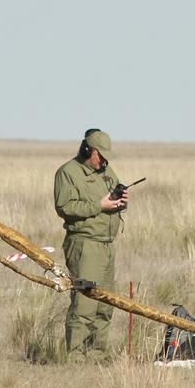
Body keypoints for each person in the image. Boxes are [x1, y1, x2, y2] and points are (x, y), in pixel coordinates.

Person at [54, 129, 128, 361]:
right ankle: (75, 358)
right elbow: (65, 207)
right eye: (100, 155)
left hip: (106, 245)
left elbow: (112, 201)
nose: (104, 160)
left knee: (105, 304)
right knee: (84, 304)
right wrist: (100, 206)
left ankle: (97, 354)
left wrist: (121, 202)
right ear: (88, 150)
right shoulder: (68, 173)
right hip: (84, 245)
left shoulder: (107, 171)